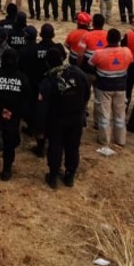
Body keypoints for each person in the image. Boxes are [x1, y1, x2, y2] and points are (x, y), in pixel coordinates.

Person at [37, 45, 91, 187]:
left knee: (55, 146)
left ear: (47, 63)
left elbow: (42, 108)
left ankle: (53, 176)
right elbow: (87, 92)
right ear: (62, 59)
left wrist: (40, 129)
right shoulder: (77, 73)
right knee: (73, 147)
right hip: (76, 117)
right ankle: (70, 175)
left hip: (57, 119)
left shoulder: (48, 81)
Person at [0, 48, 30, 181]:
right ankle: (6, 170)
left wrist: (0, 109)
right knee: (9, 145)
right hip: (11, 117)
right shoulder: (22, 78)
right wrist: (12, 112)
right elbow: (26, 100)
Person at [89, 28, 133, 148]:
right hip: (121, 87)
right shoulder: (126, 52)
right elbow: (130, 62)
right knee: (120, 114)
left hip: (104, 87)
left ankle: (105, 139)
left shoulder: (99, 53)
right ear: (119, 40)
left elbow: (91, 64)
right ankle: (120, 139)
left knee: (104, 114)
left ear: (107, 39)